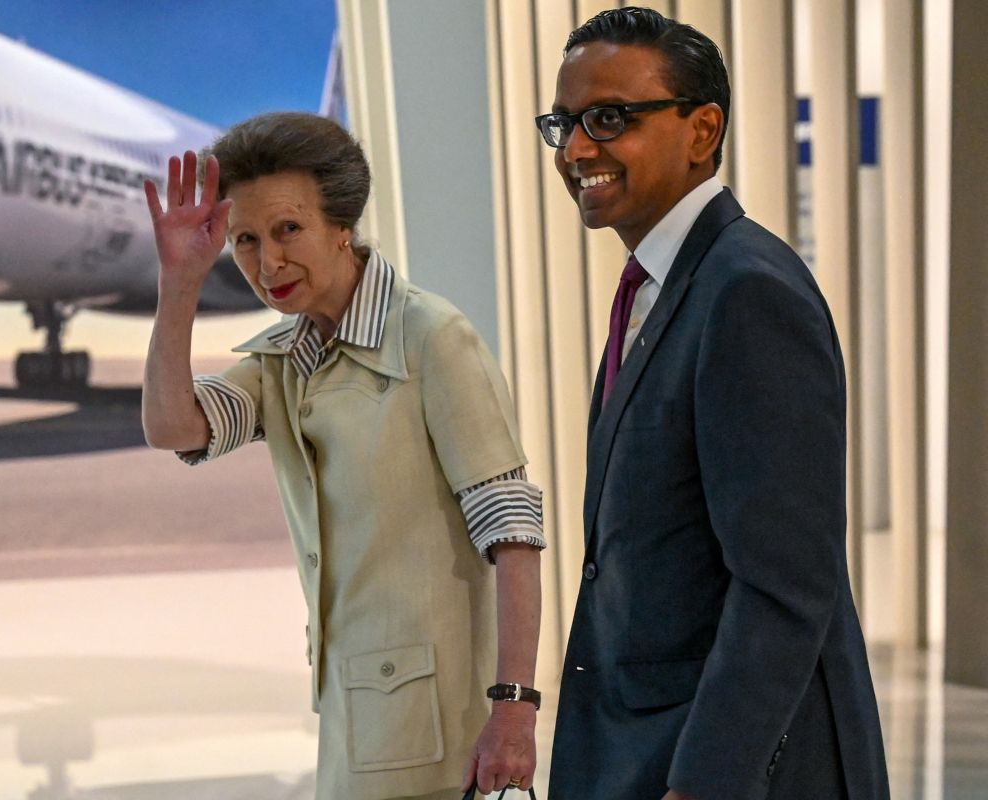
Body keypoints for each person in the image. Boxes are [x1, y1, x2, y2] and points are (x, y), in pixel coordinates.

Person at [537, 8, 889, 800]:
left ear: (702, 130)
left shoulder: (747, 291)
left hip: (732, 766)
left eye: (609, 119)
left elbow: (783, 582)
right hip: (648, 744)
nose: (577, 150)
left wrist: (706, 782)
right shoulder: (661, 286)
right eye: (564, 124)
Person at [140, 112, 545, 800]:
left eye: (287, 230)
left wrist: (514, 708)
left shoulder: (432, 337)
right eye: (245, 240)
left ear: (342, 226)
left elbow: (513, 535)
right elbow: (174, 428)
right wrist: (179, 284)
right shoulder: (283, 361)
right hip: (353, 718)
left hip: (444, 732)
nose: (268, 263)